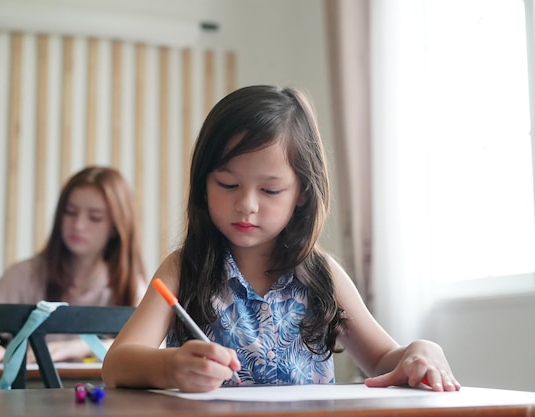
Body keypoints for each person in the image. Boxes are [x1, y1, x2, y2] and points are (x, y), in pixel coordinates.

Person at [101, 85, 461, 393]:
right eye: (228, 185)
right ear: (203, 184)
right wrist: (169, 367)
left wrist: (420, 351)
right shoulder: (184, 268)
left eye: (270, 190)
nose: (246, 205)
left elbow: (383, 359)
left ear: (302, 192)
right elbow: (116, 363)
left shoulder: (322, 273)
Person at [0, 166, 147, 364]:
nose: (78, 225)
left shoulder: (131, 286)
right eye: (70, 212)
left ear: (115, 227)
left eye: (94, 217)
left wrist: (80, 346)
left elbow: (152, 347)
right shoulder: (25, 275)